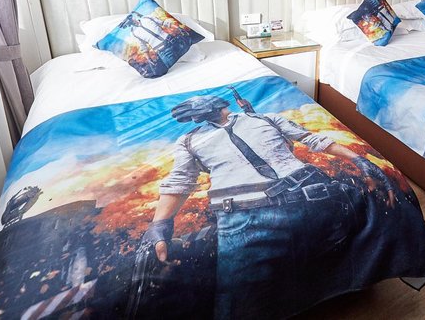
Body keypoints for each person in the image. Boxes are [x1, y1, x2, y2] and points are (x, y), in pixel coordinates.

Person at [141, 93, 395, 317]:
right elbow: (180, 181)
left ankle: (355, 287)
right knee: (238, 304)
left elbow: (311, 139)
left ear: (220, 105)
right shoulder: (188, 141)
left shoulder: (266, 118)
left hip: (312, 198)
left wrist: (361, 161)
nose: (198, 115)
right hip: (244, 220)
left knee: (350, 247)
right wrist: (160, 226)